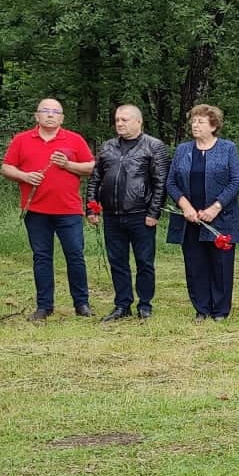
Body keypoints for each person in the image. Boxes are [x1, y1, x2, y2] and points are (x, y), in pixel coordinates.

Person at [0, 97, 95, 320]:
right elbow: (6, 167)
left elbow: (91, 167)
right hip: (36, 210)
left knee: (75, 256)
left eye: (55, 112)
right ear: (37, 116)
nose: (50, 115)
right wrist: (24, 176)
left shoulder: (74, 139)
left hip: (69, 210)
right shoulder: (22, 139)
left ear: (62, 118)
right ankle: (44, 306)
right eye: (45, 111)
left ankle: (81, 304)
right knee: (42, 257)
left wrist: (67, 164)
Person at [165, 104, 239, 321]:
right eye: (193, 121)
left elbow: (237, 180)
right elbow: (171, 182)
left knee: (221, 264)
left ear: (213, 126)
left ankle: (220, 310)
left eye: (200, 121)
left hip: (221, 217)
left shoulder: (227, 148)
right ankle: (201, 309)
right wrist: (185, 206)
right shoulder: (183, 150)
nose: (195, 125)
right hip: (190, 219)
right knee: (195, 264)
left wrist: (216, 207)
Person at [91, 104, 167, 321]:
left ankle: (145, 305)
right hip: (112, 214)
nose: (119, 124)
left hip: (140, 214)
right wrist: (91, 206)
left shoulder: (154, 146)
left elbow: (161, 182)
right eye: (117, 120)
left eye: (124, 120)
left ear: (138, 121)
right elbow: (95, 178)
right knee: (117, 261)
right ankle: (122, 304)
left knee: (144, 261)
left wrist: (154, 212)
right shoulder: (107, 147)